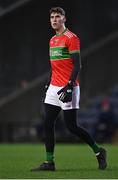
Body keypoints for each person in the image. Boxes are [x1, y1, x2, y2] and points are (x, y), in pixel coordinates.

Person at [31, 7, 107, 171]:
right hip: (53, 87)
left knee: (72, 127)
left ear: (64, 19)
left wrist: (70, 85)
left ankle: (99, 151)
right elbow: (54, 66)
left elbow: (77, 65)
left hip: (68, 86)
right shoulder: (52, 40)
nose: (54, 20)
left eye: (58, 16)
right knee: (47, 123)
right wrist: (48, 82)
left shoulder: (71, 38)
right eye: (52, 17)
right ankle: (49, 162)